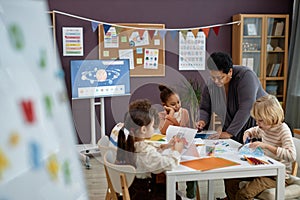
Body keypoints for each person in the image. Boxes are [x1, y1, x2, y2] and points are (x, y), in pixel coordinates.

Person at [224, 94, 296, 200]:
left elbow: (291, 155)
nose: (257, 123)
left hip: (277, 176)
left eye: (260, 120)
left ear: (271, 117)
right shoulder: (264, 127)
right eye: (256, 120)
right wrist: (247, 134)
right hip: (263, 170)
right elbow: (253, 130)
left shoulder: (283, 130)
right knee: (230, 179)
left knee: (244, 194)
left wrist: (266, 146)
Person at [116, 99, 184, 200]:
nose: (154, 129)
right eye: (152, 126)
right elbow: (168, 164)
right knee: (176, 196)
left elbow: (149, 157)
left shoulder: (130, 144)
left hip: (134, 192)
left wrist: (165, 146)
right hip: (144, 195)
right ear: (143, 129)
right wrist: (176, 151)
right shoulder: (145, 152)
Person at [197, 52, 267, 143]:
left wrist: (229, 133)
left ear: (230, 72)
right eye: (213, 77)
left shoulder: (246, 76)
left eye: (220, 77)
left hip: (254, 123)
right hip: (233, 125)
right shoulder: (211, 83)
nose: (216, 81)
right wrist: (202, 121)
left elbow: (246, 107)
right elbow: (205, 108)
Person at [158, 84, 197, 199]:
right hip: (170, 148)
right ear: (165, 105)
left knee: (192, 165)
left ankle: (191, 195)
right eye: (173, 104)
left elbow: (187, 128)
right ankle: (172, 193)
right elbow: (164, 131)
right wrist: (170, 115)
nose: (177, 106)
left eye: (178, 102)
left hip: (184, 146)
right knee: (170, 169)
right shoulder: (161, 115)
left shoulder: (184, 112)